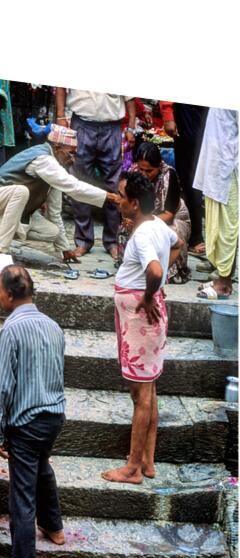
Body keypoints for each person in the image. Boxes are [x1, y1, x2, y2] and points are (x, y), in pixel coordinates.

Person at [0, 266, 67, 558]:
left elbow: (3, 385)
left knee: (21, 498)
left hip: (27, 421)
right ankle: (54, 526)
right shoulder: (53, 326)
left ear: (8, 295)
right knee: (41, 465)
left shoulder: (12, 329)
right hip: (54, 416)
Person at [102, 172, 183, 484]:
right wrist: (158, 287)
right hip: (142, 317)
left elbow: (155, 268)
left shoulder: (143, 235)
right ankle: (147, 460)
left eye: (122, 196)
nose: (118, 200)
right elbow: (179, 244)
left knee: (141, 393)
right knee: (148, 388)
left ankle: (133, 467)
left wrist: (150, 292)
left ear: (134, 204)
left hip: (141, 317)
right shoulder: (157, 226)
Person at [0, 125, 120, 260]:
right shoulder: (44, 159)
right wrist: (107, 196)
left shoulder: (54, 171)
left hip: (10, 209)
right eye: (70, 153)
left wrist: (64, 249)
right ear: (57, 148)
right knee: (21, 192)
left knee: (52, 232)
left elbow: (54, 213)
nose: (73, 160)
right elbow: (74, 187)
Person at [55, 88, 136, 259]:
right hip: (82, 124)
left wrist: (131, 128)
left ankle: (113, 242)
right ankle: (83, 241)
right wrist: (61, 116)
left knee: (113, 186)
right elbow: (60, 88)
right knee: (79, 184)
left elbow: (130, 98)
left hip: (112, 127)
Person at [126, 142, 192, 283]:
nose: (144, 174)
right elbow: (127, 201)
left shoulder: (169, 175)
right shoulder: (133, 172)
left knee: (174, 232)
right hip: (143, 216)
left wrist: (143, 222)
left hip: (170, 218)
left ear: (158, 166)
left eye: (149, 171)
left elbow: (168, 214)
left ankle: (164, 269)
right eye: (141, 169)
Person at [193, 108, 239, 300]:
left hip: (229, 168)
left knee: (228, 226)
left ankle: (224, 282)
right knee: (218, 225)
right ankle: (222, 275)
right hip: (217, 163)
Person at [167, 102, 208, 256]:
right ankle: (196, 236)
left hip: (208, 112)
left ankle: (201, 236)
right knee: (192, 175)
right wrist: (168, 114)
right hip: (188, 110)